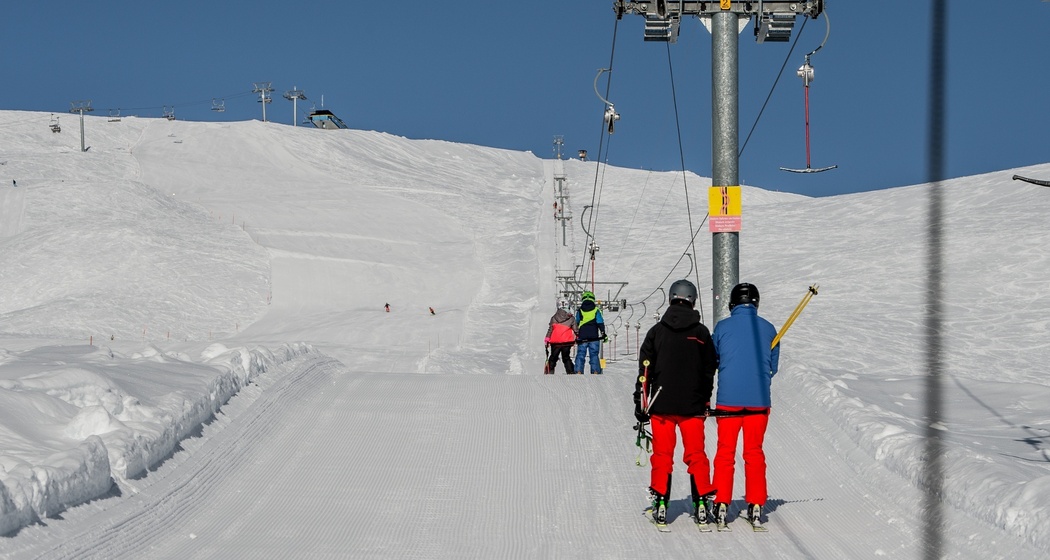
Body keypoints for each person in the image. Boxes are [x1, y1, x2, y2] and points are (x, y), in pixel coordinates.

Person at [634, 279, 718, 526]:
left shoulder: (656, 332)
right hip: (692, 407)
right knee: (696, 454)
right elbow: (709, 369)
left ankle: (660, 500)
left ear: (671, 298)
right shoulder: (701, 332)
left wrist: (640, 403)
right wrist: (704, 398)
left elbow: (644, 371)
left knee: (662, 454)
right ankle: (702, 499)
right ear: (692, 300)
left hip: (661, 405)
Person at [710, 282, 780, 530]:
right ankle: (757, 503)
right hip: (759, 403)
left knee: (725, 452)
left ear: (732, 303)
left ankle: (720, 502)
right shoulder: (770, 329)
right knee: (754, 452)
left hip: (728, 401)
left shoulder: (722, 327)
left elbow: (714, 359)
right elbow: (773, 367)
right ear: (756, 303)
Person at [574, 291, 607, 374]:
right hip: (594, 336)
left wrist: (576, 333)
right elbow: (600, 322)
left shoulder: (580, 310)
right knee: (594, 354)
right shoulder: (596, 310)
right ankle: (595, 371)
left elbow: (576, 322)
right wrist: (603, 332)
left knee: (581, 354)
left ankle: (578, 371)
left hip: (582, 336)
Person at [544, 300, 577, 374]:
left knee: (553, 357)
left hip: (555, 341)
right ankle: (571, 372)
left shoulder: (554, 318)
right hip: (567, 341)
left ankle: (549, 372)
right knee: (566, 357)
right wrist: (578, 336)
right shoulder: (571, 318)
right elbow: (576, 330)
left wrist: (547, 339)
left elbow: (550, 329)